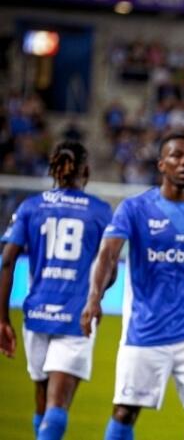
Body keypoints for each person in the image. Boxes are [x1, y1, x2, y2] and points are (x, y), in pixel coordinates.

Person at [80, 133, 184, 440]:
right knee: (124, 412)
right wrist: (94, 298)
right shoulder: (135, 209)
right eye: (176, 156)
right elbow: (107, 254)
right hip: (145, 329)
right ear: (161, 164)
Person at [0, 140, 112, 440]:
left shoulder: (31, 207)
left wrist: (2, 319)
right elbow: (110, 266)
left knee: (42, 400)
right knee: (57, 405)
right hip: (77, 315)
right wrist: (96, 296)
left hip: (36, 313)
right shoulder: (100, 211)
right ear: (86, 171)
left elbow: (7, 261)